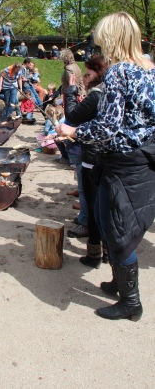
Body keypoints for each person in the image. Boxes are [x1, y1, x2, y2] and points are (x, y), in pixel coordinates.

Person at [56, 12, 155, 321]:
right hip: (136, 160)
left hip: (124, 163)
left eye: (101, 38)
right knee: (104, 217)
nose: (98, 44)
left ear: (111, 38)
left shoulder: (119, 72)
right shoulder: (148, 69)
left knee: (118, 228)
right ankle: (118, 282)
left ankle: (131, 303)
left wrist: (72, 132)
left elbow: (106, 128)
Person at [63, 55, 109, 261]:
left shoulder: (97, 96)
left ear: (98, 75)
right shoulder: (108, 94)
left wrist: (70, 90)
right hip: (104, 157)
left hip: (93, 157)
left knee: (94, 208)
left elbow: (72, 115)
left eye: (88, 74)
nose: (85, 78)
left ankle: (94, 254)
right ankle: (106, 254)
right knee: (102, 208)